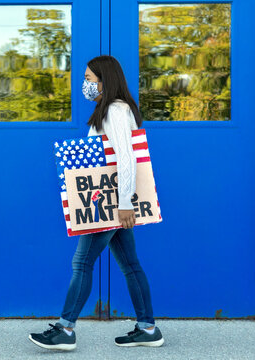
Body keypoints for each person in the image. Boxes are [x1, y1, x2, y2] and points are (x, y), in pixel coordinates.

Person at [28, 55, 164, 351]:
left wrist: (125, 203)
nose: (86, 84)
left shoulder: (115, 110)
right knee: (130, 264)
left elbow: (126, 157)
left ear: (105, 80)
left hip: (111, 203)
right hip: (113, 199)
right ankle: (148, 328)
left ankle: (65, 329)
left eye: (90, 78)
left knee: (82, 262)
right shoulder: (109, 110)